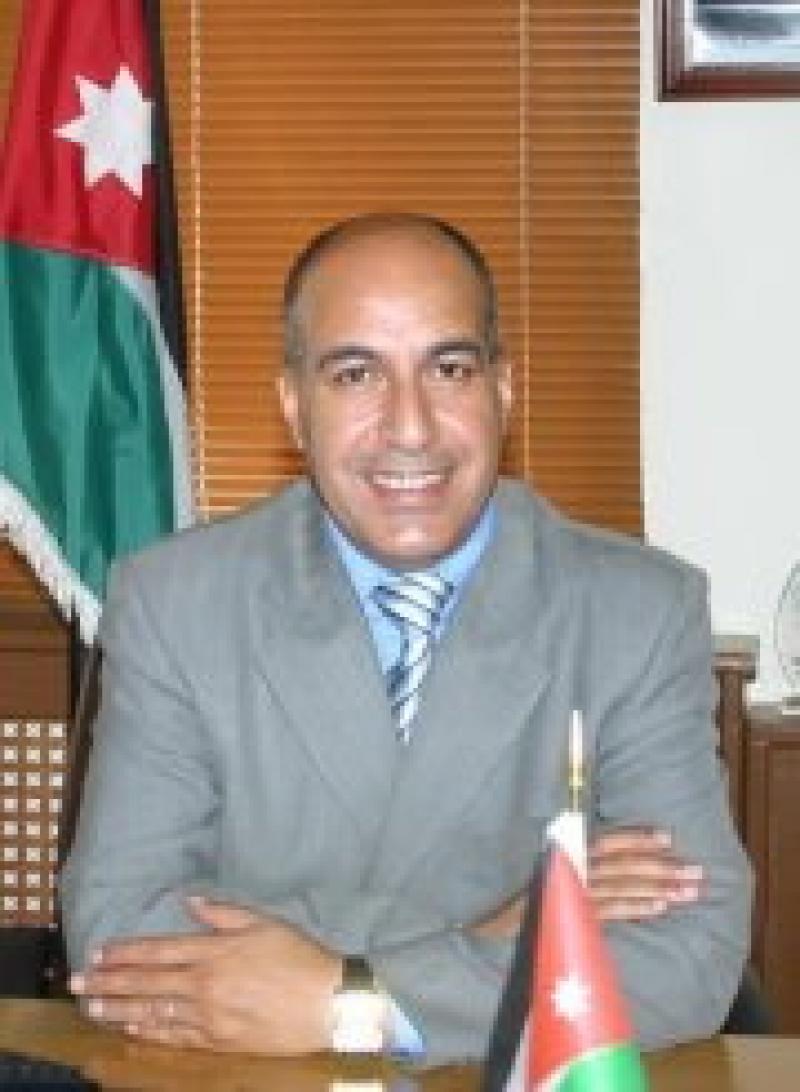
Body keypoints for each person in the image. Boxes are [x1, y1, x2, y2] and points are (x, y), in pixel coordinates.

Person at [60, 212, 752, 1066]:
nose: (412, 427)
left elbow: (690, 959)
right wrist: (502, 929)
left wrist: (356, 998)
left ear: (503, 391)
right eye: (356, 375)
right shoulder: (176, 602)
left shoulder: (638, 613)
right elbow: (120, 932)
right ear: (294, 407)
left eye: (449, 369)